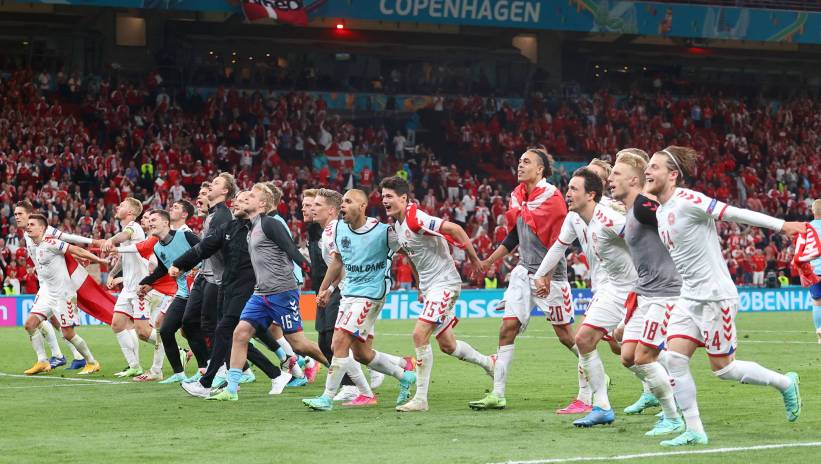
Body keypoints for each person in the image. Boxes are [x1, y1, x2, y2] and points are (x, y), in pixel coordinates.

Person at [644, 145, 803, 446]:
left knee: (724, 369)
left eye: (654, 166)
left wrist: (782, 226)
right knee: (674, 359)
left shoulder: (688, 200)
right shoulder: (661, 211)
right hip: (689, 297)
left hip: (715, 297)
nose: (647, 171)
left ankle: (785, 383)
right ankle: (695, 430)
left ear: (673, 174)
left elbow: (734, 213)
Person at [470, 148, 586, 413]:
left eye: (526, 162)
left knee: (565, 336)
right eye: (519, 161)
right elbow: (514, 236)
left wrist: (546, 275)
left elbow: (560, 243)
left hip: (552, 277)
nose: (520, 166)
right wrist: (489, 261)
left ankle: (594, 371)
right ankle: (498, 393)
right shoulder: (518, 197)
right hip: (523, 273)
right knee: (507, 328)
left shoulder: (553, 199)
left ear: (540, 169)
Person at [532, 167, 638, 427]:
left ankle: (664, 391)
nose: (567, 193)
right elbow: (559, 246)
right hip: (607, 288)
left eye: (573, 188)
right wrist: (541, 274)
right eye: (568, 188)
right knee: (585, 339)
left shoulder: (610, 217)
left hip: (637, 289)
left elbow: (642, 240)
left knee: (632, 350)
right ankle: (600, 405)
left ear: (592, 193)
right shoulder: (574, 218)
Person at [382, 176, 494, 412]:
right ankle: (489, 362)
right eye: (383, 196)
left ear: (403, 198)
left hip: (445, 284)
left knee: (419, 334)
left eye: (389, 196)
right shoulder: (398, 226)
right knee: (447, 345)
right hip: (431, 287)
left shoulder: (415, 218)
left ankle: (421, 399)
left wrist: (474, 260)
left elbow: (455, 229)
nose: (384, 201)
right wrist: (420, 286)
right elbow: (410, 256)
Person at [207, 183, 327, 401]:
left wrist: (315, 276)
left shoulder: (270, 223)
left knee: (298, 343)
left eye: (251, 196)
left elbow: (291, 250)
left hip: (282, 292)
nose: (245, 199)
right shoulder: (250, 226)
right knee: (240, 334)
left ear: (262, 204)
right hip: (260, 293)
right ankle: (231, 390)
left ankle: (340, 371)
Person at [303, 188, 416, 411]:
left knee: (338, 342)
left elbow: (410, 251)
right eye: (342, 201)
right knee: (362, 354)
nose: (343, 205)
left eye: (348, 201)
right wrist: (325, 289)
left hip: (371, 295)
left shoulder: (383, 232)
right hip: (349, 294)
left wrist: (421, 282)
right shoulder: (339, 229)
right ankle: (404, 375)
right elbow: (337, 262)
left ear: (362, 206)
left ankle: (327, 397)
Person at [174, 190, 291, 398]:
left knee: (226, 331)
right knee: (234, 335)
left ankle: (208, 382)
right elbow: (203, 247)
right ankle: (274, 374)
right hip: (228, 287)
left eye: (244, 200)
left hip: (251, 287)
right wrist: (179, 264)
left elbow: (283, 254)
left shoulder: (262, 227)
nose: (237, 203)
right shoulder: (229, 227)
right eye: (236, 200)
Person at [606, 149, 683, 436]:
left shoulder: (642, 206)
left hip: (665, 292)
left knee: (643, 357)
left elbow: (674, 223)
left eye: (616, 174)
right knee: (627, 355)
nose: (610, 179)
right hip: (645, 292)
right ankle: (675, 375)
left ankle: (673, 416)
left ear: (634, 180)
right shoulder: (629, 209)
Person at [306, 188, 375, 403]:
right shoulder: (324, 232)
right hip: (340, 290)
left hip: (350, 290)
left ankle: (351, 387)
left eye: (317, 205)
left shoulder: (336, 229)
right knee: (332, 342)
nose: (311, 208)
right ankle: (398, 370)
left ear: (331, 210)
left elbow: (340, 263)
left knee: (336, 341)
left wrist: (327, 289)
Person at [22, 214, 105, 376]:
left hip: (63, 294)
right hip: (47, 293)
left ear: (42, 228)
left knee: (68, 334)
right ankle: (42, 361)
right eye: (28, 224)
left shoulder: (51, 242)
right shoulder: (35, 245)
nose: (28, 227)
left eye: (32, 224)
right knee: (30, 324)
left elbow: (76, 249)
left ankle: (92, 362)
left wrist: (100, 261)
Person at [129, 209, 201, 384]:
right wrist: (146, 282)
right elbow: (162, 270)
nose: (150, 223)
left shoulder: (185, 236)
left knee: (194, 329)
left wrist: (194, 268)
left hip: (200, 289)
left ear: (165, 222)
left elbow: (206, 252)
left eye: (154, 220)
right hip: (183, 293)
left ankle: (206, 369)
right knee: (166, 330)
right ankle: (179, 373)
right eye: (149, 221)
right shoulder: (157, 247)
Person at [180, 173, 235, 383]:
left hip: (218, 278)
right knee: (193, 322)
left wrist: (182, 263)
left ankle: (222, 371)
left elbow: (207, 246)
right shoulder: (213, 215)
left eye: (216, 183)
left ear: (225, 191)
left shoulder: (221, 215)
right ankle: (211, 367)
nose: (212, 184)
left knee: (220, 327)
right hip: (208, 276)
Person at [101, 198, 155, 378]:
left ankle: (177, 349)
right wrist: (112, 274)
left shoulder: (134, 227)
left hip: (141, 287)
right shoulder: (126, 230)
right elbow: (124, 257)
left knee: (143, 331)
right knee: (117, 324)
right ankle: (134, 366)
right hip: (128, 288)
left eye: (122, 205)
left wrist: (111, 240)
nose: (118, 206)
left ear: (131, 212)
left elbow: (123, 237)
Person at [809, 199, 821, 342]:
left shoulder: (807, 228)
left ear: (813, 211)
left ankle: (819, 331)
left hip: (814, 270)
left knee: (817, 302)